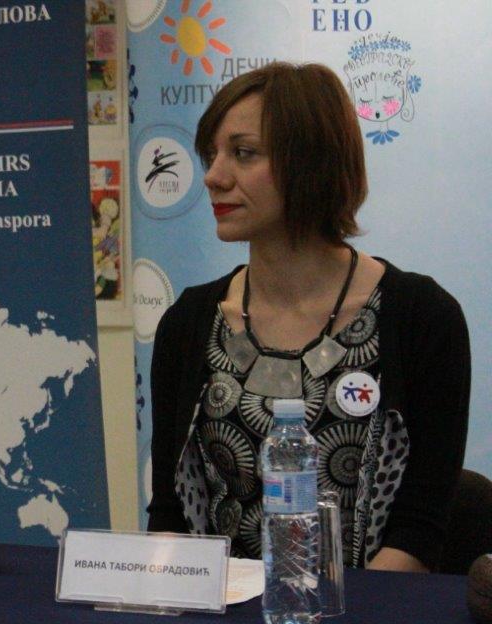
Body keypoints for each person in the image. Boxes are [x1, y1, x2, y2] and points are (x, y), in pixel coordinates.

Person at [146, 63, 470, 573]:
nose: (213, 176)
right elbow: (170, 515)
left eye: (243, 153)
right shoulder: (188, 322)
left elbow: (419, 531)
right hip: (220, 615)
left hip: (368, 614)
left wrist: (336, 616)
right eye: (212, 155)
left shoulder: (421, 317)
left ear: (311, 162)